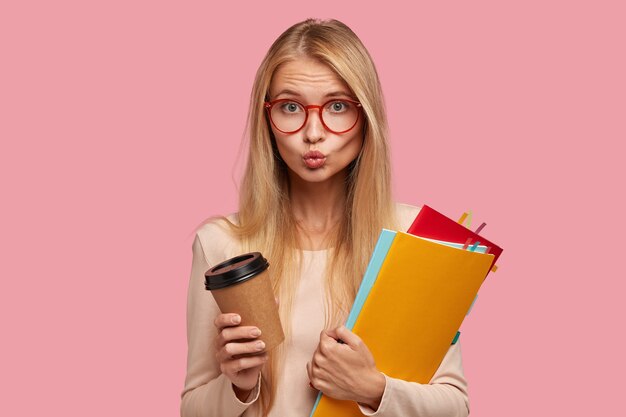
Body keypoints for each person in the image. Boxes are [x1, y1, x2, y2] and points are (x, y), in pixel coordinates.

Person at [181, 18, 470, 417]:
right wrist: (238, 387)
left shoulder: (414, 237)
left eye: (337, 106)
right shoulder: (221, 245)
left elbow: (455, 405)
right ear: (267, 119)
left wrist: (372, 390)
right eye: (290, 107)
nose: (313, 133)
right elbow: (191, 408)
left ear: (366, 115)